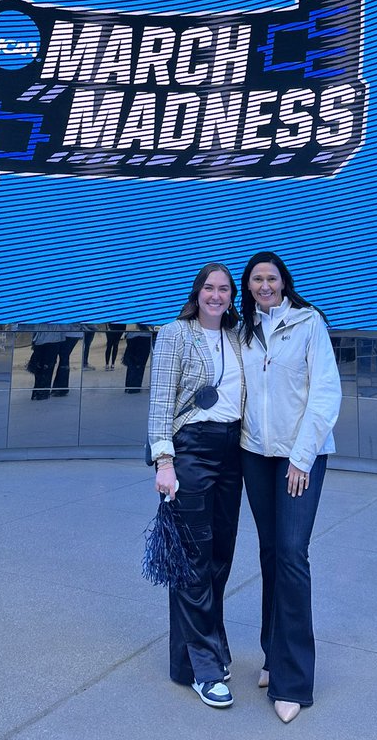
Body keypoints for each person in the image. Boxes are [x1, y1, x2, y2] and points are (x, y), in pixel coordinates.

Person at [239, 251, 341, 724]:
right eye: (256, 279)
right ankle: (272, 654)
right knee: (269, 552)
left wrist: (301, 457)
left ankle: (293, 680)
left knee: (292, 554)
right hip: (255, 456)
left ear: (284, 282)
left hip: (301, 457)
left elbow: (325, 392)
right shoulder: (243, 331)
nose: (265, 285)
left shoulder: (308, 323)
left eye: (271, 278)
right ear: (249, 286)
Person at [147, 263, 245, 709]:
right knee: (193, 557)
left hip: (234, 450)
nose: (217, 295)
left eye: (224, 289)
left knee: (220, 555)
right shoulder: (174, 334)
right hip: (191, 450)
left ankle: (198, 653)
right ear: (197, 291)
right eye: (210, 287)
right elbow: (161, 401)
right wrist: (164, 461)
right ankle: (204, 668)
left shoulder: (239, 335)